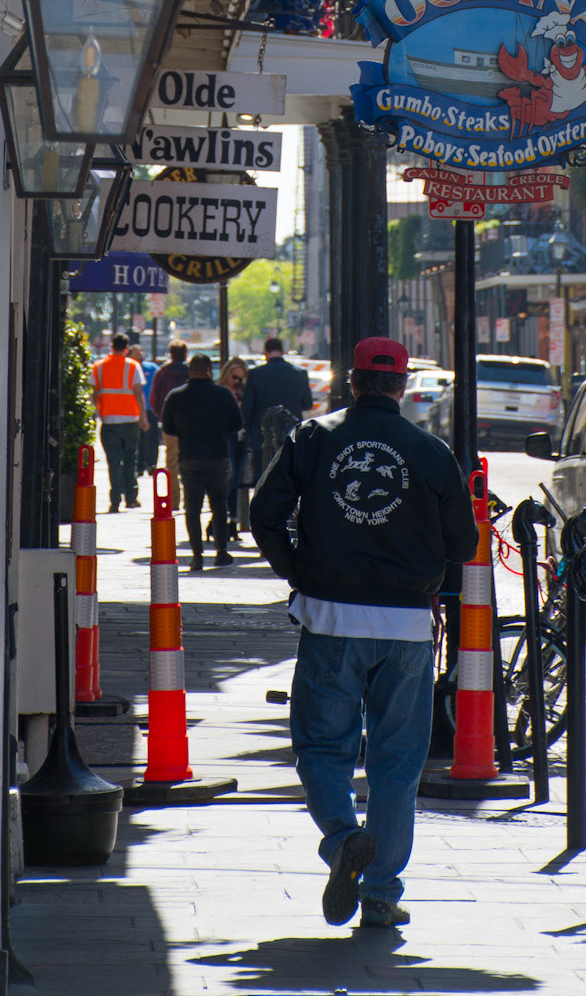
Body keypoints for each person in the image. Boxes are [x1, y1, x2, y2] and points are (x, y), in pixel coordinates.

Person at [250, 337, 478, 929]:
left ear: (351, 382)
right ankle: (380, 893)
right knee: (397, 760)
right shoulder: (430, 451)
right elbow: (464, 544)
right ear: (401, 386)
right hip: (407, 625)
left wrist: (299, 570)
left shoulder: (313, 437)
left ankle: (342, 840)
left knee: (323, 747)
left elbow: (263, 513)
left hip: (331, 617)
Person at [160, 354, 242, 571]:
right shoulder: (222, 394)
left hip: (189, 457)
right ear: (208, 370)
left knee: (192, 507)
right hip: (218, 456)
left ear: (190, 370)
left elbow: (168, 428)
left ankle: (197, 555)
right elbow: (236, 424)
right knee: (219, 504)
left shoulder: (176, 396)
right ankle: (221, 551)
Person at [242, 335, 313, 483]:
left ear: (265, 353)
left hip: (262, 436)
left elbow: (248, 407)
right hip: (291, 434)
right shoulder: (300, 373)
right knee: (290, 479)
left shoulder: (255, 374)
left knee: (264, 479)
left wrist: (246, 431)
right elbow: (307, 404)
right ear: (282, 351)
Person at [91, 332, 148, 513]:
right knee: (130, 459)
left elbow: (94, 394)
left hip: (109, 421)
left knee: (114, 462)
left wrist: (99, 412)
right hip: (130, 420)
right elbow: (138, 394)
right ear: (127, 349)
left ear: (111, 346)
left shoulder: (99, 367)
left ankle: (115, 500)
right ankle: (131, 498)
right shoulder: (133, 366)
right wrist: (144, 418)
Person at [147, 340, 190, 508]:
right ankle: (190, 500)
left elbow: (153, 399)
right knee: (190, 461)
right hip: (191, 425)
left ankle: (174, 501)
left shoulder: (162, 373)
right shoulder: (191, 372)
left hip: (170, 424)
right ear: (185, 354)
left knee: (172, 463)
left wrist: (162, 416)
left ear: (171, 354)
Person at [218, 357, 247, 541]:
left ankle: (232, 521)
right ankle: (221, 520)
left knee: (236, 480)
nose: (236, 381)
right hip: (226, 435)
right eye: (234, 377)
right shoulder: (220, 390)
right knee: (229, 478)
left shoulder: (243, 392)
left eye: (240, 378)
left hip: (241, 437)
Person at [129, 345, 160, 478]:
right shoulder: (129, 368)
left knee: (152, 438)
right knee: (138, 439)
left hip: (150, 409)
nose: (138, 355)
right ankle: (139, 466)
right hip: (134, 410)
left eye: (139, 352)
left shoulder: (152, 368)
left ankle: (151, 464)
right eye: (135, 353)